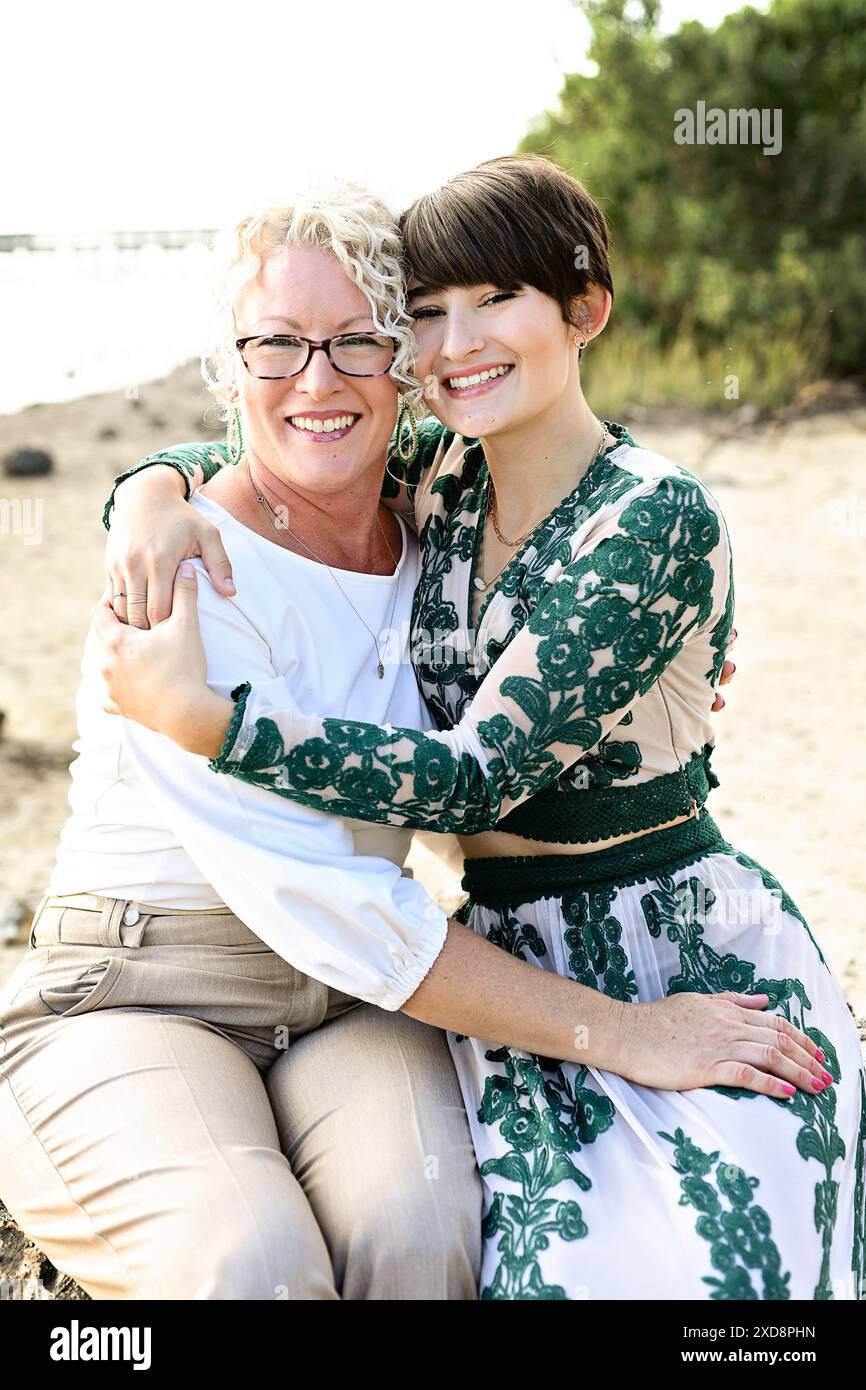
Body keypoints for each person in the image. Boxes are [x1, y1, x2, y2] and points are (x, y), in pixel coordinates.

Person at [91, 158, 864, 1302]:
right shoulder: (442, 476)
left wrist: (214, 722)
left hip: (665, 936)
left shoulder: (651, 517)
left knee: (712, 1275)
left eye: (495, 299)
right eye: (426, 313)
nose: (454, 344)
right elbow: (289, 441)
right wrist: (149, 489)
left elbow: (470, 783)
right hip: (502, 955)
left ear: (583, 310)